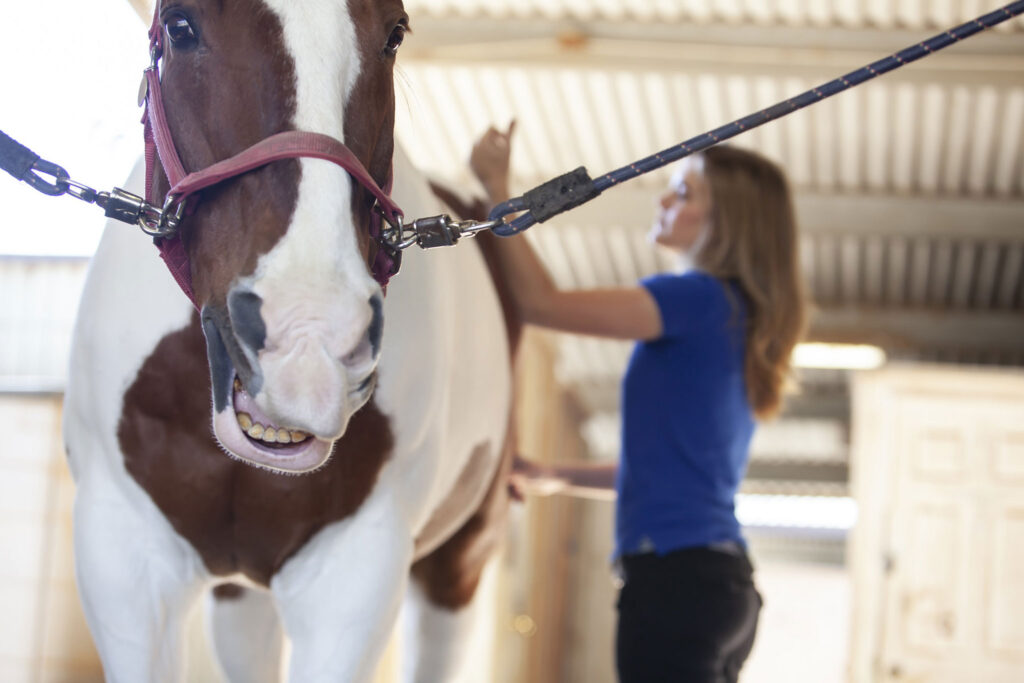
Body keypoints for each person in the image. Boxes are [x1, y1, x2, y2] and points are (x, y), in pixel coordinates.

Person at [471, 122, 808, 683]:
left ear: (725, 221)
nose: (665, 199)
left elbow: (539, 303)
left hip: (677, 585)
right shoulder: (736, 320)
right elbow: (667, 474)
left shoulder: (696, 301)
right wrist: (554, 473)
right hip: (720, 587)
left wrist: (495, 189)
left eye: (685, 193)